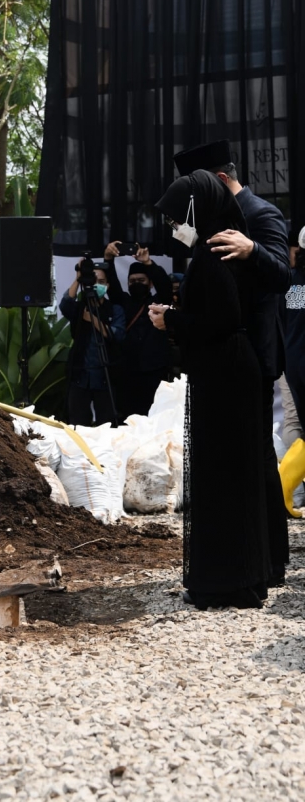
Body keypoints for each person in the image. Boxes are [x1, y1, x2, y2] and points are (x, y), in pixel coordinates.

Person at [149, 169, 271, 610]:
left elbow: (222, 318)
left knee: (225, 475)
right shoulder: (223, 247)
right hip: (236, 368)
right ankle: (237, 578)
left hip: (230, 372)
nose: (172, 227)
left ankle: (226, 580)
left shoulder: (216, 251)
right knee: (232, 475)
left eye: (175, 217)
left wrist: (172, 320)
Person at [174, 139, 290, 587]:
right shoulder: (213, 222)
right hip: (224, 356)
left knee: (260, 455)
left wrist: (251, 250)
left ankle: (271, 560)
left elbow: (283, 278)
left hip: (255, 354)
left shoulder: (260, 216)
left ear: (219, 181)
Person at [103, 243, 173, 419]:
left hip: (155, 369)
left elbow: (165, 286)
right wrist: (108, 259)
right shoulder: (124, 302)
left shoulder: (158, 302)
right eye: (132, 281)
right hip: (128, 371)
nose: (136, 284)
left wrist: (148, 263)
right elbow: (112, 287)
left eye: (141, 281)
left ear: (150, 283)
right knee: (129, 418)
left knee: (155, 415)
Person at [59, 259, 125, 426]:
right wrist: (79, 278)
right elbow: (66, 304)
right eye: (93, 281)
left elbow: (117, 335)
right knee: (78, 424)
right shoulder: (80, 307)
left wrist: (93, 319)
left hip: (105, 376)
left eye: (101, 282)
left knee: (107, 424)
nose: (97, 285)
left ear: (108, 286)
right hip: (80, 375)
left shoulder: (115, 310)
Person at [279, 227, 305, 516]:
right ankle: (288, 492)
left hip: (294, 359)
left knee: (295, 422)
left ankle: (289, 494)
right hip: (296, 359)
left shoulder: (297, 283)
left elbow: (294, 322)